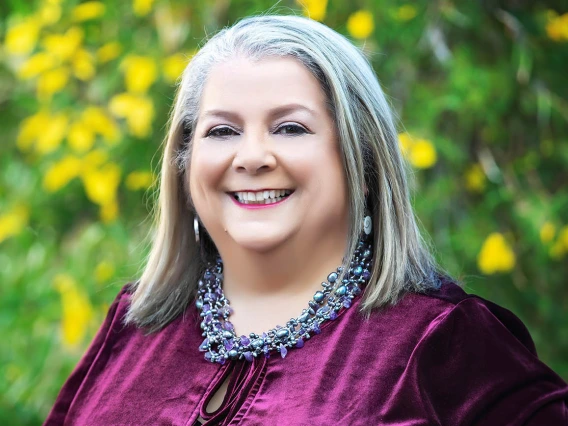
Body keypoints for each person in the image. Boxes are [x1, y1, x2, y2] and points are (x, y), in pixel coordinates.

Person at [44, 14, 568, 425]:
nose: (251, 157)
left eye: (290, 128)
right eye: (222, 131)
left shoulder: (445, 342)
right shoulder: (135, 326)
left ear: (363, 163)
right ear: (184, 165)